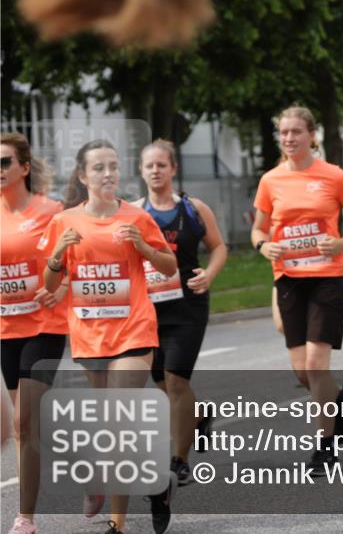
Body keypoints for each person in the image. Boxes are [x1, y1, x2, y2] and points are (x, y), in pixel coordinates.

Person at [40, 139, 178, 534]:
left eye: (113, 167)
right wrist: (55, 257)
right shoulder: (64, 222)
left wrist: (144, 249)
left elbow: (169, 267)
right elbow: (50, 281)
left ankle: (117, 525)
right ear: (83, 176)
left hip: (134, 329)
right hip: (89, 335)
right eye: (99, 168)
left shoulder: (137, 217)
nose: (108, 174)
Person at [251, 107, 343, 476]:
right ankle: (340, 398)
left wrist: (341, 242)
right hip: (289, 278)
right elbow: (259, 230)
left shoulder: (334, 176)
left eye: (297, 131)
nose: (289, 139)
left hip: (328, 276)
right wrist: (264, 247)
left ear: (313, 135)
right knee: (302, 373)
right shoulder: (271, 181)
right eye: (284, 132)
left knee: (316, 364)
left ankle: (324, 448)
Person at [132, 140, 227, 486]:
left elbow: (217, 247)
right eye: (149, 166)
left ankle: (179, 461)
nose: (155, 171)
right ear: (141, 171)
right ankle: (199, 415)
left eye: (161, 165)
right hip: (148, 310)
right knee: (162, 383)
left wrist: (210, 273)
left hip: (187, 306)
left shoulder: (193, 208)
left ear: (173, 169)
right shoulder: (133, 212)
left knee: (175, 380)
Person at [2, 133, 67, 534]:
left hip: (44, 324)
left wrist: (58, 286)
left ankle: (25, 517)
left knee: (25, 419)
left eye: (5, 162)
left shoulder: (51, 211)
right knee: (26, 426)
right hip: (5, 327)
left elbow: (71, 263)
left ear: (24, 168)